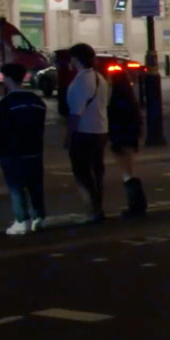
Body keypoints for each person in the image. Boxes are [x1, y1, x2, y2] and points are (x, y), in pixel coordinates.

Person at [0, 63, 48, 234]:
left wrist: (0, 151)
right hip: (34, 149)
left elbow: (0, 130)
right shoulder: (36, 101)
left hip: (13, 151)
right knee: (35, 185)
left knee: (16, 187)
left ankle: (21, 219)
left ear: (8, 78)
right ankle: (39, 217)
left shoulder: (6, 103)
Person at [65, 43, 111, 224]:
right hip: (101, 129)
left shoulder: (81, 81)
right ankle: (97, 208)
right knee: (97, 171)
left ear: (76, 59)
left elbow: (76, 113)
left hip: (84, 131)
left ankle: (92, 210)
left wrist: (69, 136)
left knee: (82, 173)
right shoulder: (100, 78)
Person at [105, 63, 147, 218]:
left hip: (120, 137)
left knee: (127, 172)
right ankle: (137, 205)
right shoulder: (130, 99)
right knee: (129, 170)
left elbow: (112, 119)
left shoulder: (114, 101)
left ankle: (136, 205)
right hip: (130, 137)